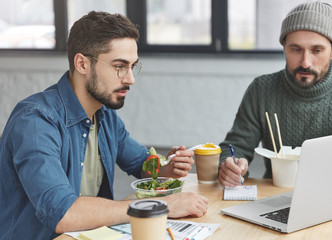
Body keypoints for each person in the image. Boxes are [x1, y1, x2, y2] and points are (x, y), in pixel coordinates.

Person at [0, 11, 208, 239]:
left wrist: (166, 166)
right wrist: (162, 205)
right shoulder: (35, 121)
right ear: (82, 64)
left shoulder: (104, 114)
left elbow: (140, 161)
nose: (130, 79)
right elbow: (63, 213)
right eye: (120, 66)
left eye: (133, 66)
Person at [218, 1, 332, 187]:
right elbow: (235, 146)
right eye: (296, 49)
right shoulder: (262, 89)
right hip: (275, 196)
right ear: (284, 48)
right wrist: (230, 164)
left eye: (317, 50)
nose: (305, 62)